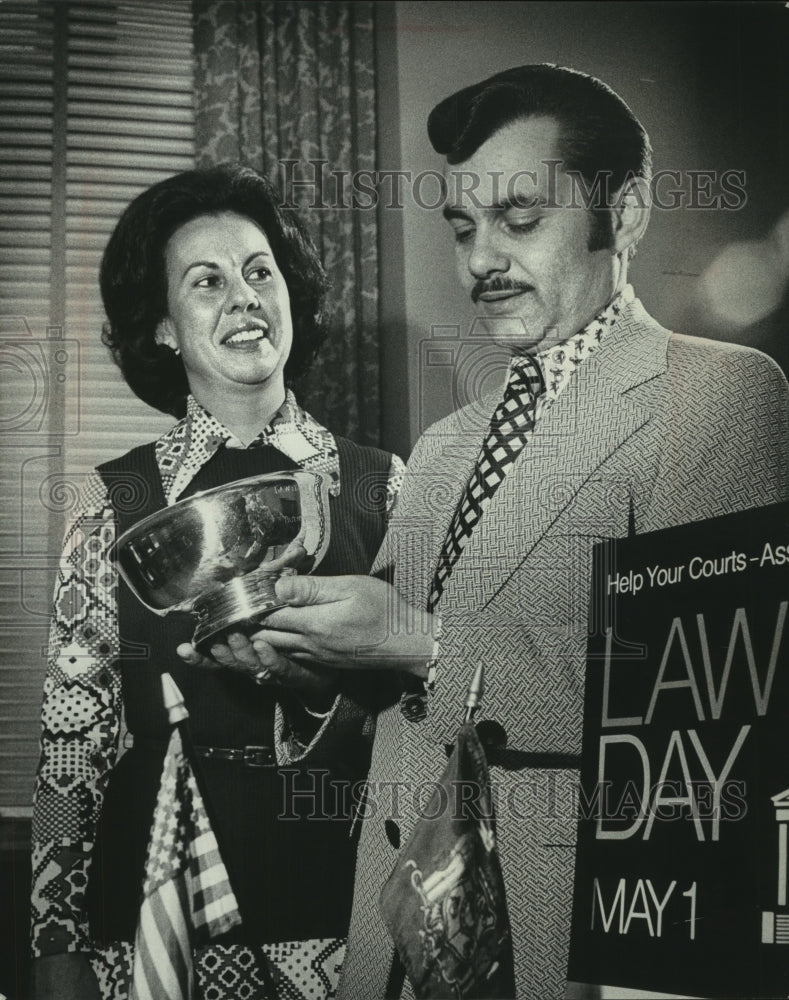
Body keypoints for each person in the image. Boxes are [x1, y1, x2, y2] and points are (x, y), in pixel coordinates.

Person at [241, 65, 789, 998]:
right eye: (462, 228)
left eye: (519, 219)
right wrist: (311, 669)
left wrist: (417, 640)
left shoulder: (718, 395)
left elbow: (696, 709)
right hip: (390, 946)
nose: (479, 261)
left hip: (558, 947)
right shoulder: (446, 443)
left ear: (623, 215)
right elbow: (399, 699)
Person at [30, 164, 404, 1000]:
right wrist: (54, 938)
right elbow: (72, 741)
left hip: (336, 892)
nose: (242, 298)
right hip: (150, 900)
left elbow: (426, 707)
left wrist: (325, 694)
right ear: (163, 327)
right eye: (206, 281)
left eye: (258, 272)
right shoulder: (112, 503)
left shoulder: (385, 487)